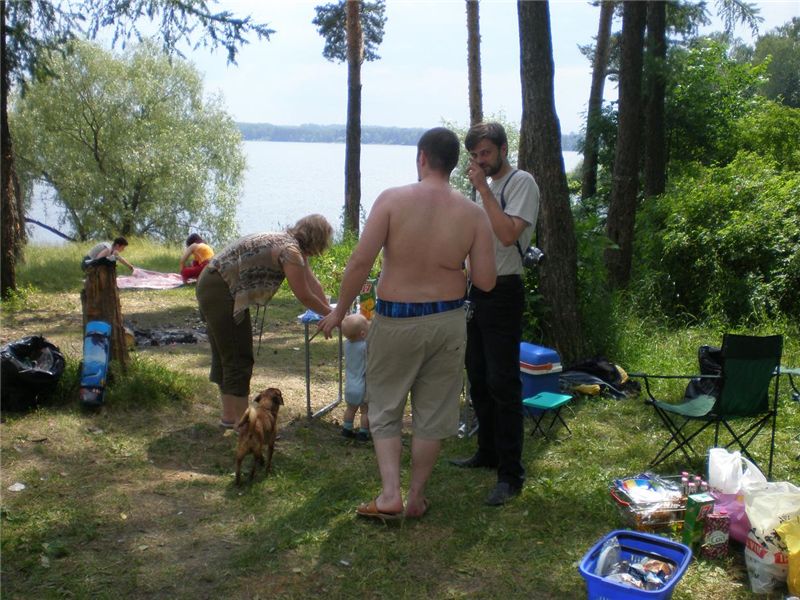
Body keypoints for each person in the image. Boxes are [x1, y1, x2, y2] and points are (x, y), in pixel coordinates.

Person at [319, 127, 496, 520]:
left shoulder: (392, 200)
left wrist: (339, 311)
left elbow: (360, 262)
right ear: (454, 164)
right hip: (448, 320)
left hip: (397, 319)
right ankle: (415, 497)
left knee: (385, 406)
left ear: (422, 158)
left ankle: (389, 495)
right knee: (432, 413)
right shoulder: (473, 214)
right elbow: (485, 281)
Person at [450, 121, 540, 506]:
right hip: (477, 291)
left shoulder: (522, 183)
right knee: (479, 376)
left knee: (504, 383)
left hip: (505, 290)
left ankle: (510, 474)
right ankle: (486, 451)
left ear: (503, 149)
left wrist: (484, 191)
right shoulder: (481, 187)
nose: (479, 161)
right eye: (474, 155)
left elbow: (507, 235)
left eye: (485, 153)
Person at [196, 214, 334, 430]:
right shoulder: (290, 252)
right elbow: (305, 295)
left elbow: (312, 283)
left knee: (227, 353)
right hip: (220, 288)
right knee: (238, 357)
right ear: (318, 239)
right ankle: (245, 427)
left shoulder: (287, 243)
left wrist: (331, 311)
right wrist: (333, 315)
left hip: (212, 280)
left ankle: (230, 417)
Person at [340, 312, 370, 442]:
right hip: (362, 386)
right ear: (363, 334)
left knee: (350, 409)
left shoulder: (346, 344)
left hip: (350, 385)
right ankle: (363, 433)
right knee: (365, 411)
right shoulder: (365, 346)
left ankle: (347, 429)